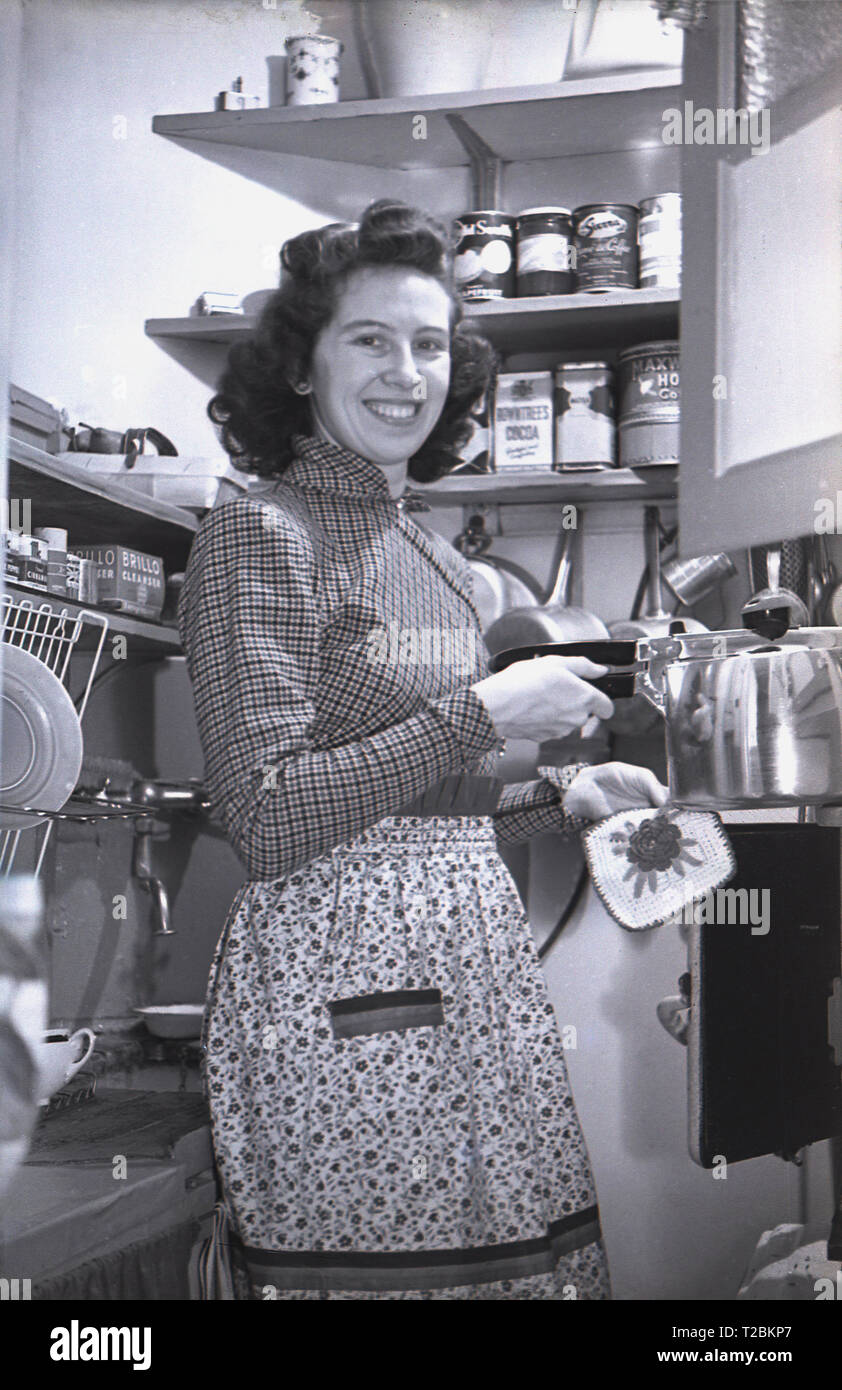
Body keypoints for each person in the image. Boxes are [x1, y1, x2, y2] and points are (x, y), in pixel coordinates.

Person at [178, 200, 667, 1300]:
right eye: (369, 338)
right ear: (301, 367)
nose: (407, 371)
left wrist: (568, 796)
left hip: (470, 979)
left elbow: (430, 815)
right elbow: (264, 818)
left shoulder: (435, 559)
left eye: (431, 343)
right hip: (337, 998)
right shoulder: (259, 534)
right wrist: (486, 713)